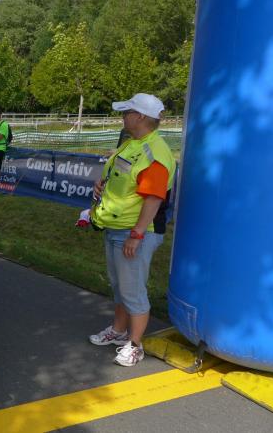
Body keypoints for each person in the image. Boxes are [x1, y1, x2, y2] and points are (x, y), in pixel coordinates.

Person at [88, 93, 176, 367]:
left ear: (140, 117)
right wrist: (102, 185)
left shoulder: (154, 152)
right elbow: (121, 178)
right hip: (117, 227)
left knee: (133, 291)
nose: (122, 116)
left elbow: (153, 198)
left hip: (135, 231)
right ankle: (118, 331)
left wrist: (136, 235)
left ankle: (135, 345)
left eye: (126, 112)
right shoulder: (132, 144)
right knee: (120, 287)